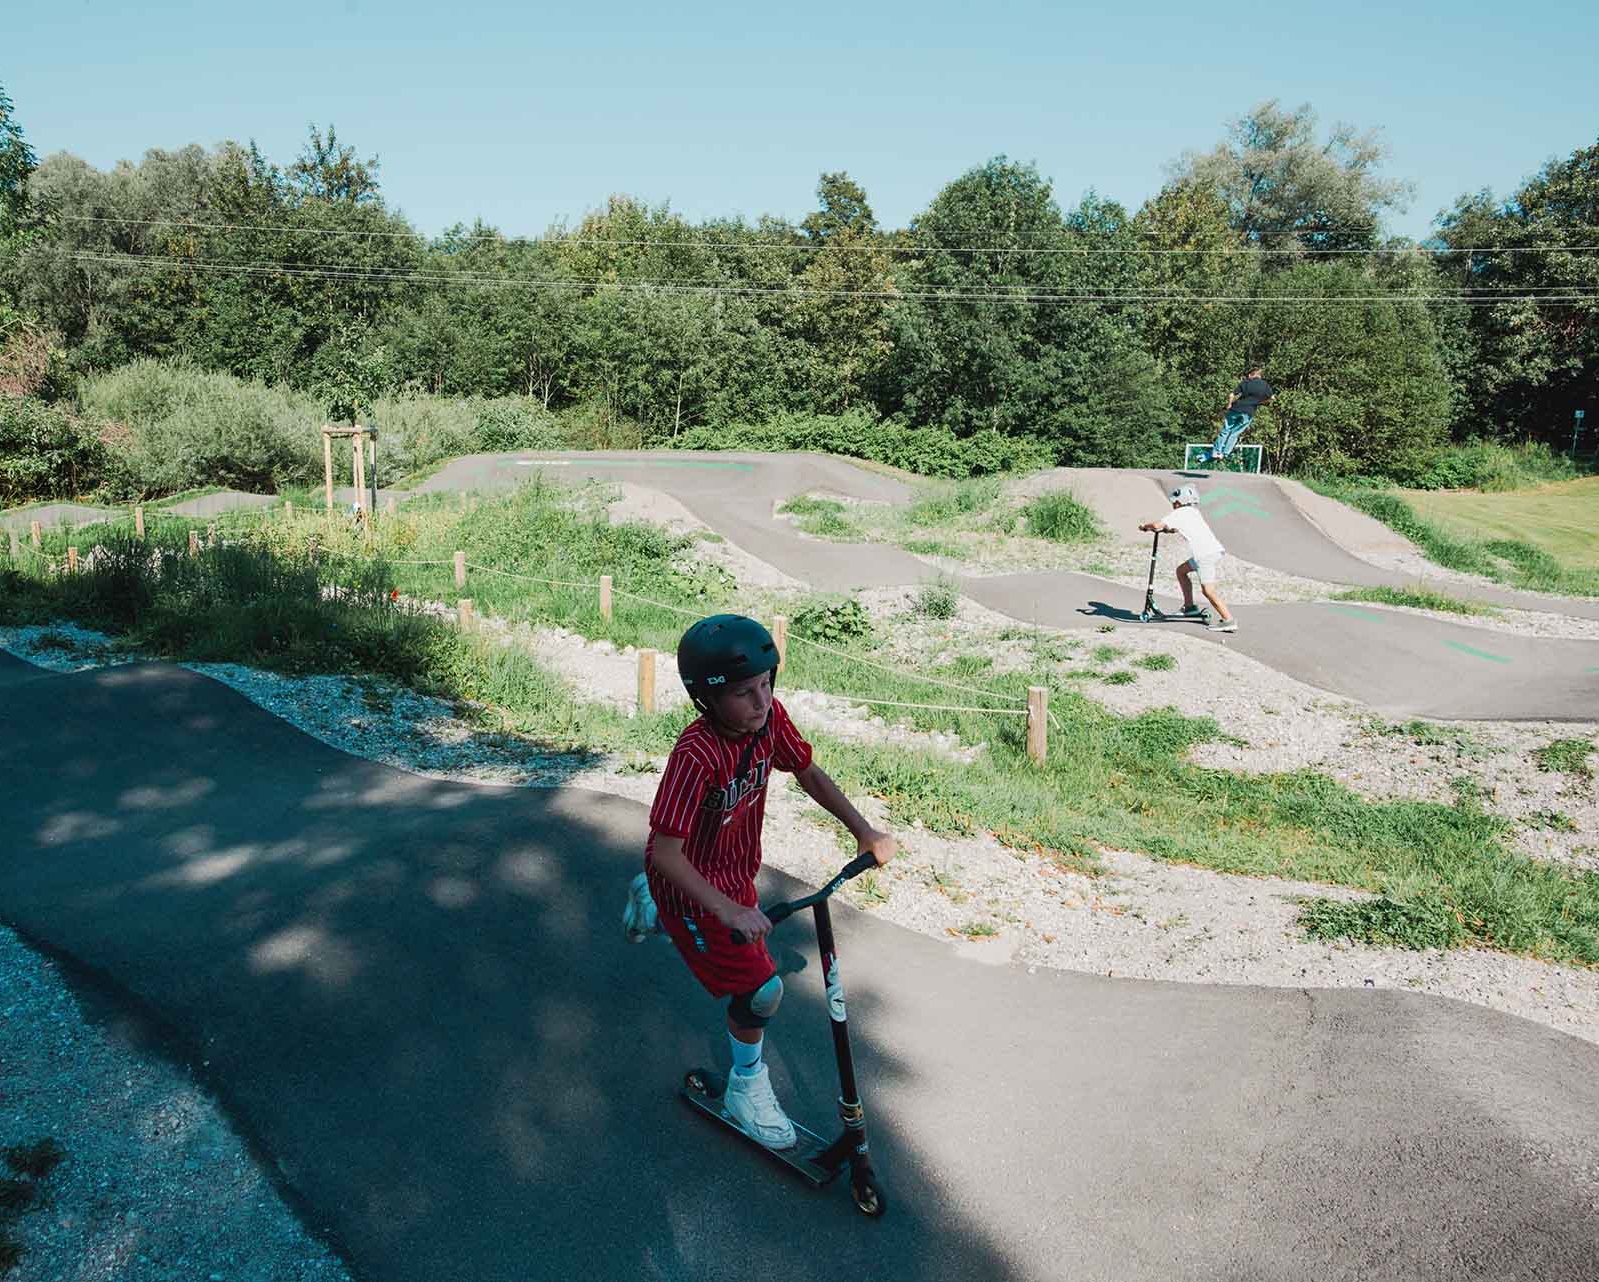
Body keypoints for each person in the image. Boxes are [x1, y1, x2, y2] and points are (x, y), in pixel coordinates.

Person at [637, 613, 896, 1149]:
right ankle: (745, 1089)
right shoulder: (696, 754)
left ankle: (658, 914)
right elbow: (664, 852)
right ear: (705, 698)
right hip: (692, 884)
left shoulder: (769, 720)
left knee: (751, 968)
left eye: (766, 684)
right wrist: (727, 911)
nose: (760, 702)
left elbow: (806, 770)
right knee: (761, 991)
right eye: (742, 692)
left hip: (734, 875)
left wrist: (863, 830)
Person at [1139, 485, 1237, 633]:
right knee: (1181, 571)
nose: (1173, 504)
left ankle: (1228, 619)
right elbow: (1172, 528)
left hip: (1205, 554)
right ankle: (1189, 607)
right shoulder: (1192, 512)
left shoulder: (1179, 513)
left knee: (1208, 590)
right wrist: (1164, 529)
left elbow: (1157, 524)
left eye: (1174, 501)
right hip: (1209, 551)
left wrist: (1145, 526)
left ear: (1179, 501)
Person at [1209, 366, 1274, 466]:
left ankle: (1216, 452)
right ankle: (1225, 453)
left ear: (1250, 374)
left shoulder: (1245, 382)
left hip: (1236, 409)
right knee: (1235, 433)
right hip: (1249, 412)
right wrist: (1260, 402)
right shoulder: (1265, 385)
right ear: (1259, 375)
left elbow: (1231, 395)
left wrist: (1229, 404)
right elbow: (1272, 399)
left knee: (1225, 430)